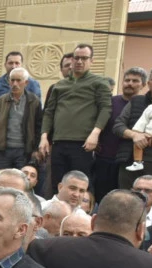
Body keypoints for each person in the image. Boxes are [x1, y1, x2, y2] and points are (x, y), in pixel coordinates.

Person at [39, 44, 112, 191]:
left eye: (84, 58)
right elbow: (49, 112)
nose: (79, 61)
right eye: (76, 58)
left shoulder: (99, 82)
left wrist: (95, 133)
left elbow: (106, 109)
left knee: (81, 185)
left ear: (91, 61)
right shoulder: (59, 85)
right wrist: (44, 137)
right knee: (58, 184)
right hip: (59, 142)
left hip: (83, 144)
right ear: (72, 60)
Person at [114, 64, 152, 189]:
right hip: (130, 161)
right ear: (148, 83)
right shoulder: (137, 101)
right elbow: (118, 126)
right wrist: (135, 135)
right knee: (127, 198)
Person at [92, 67, 147, 202]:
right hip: (105, 159)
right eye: (127, 80)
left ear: (143, 84)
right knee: (102, 198)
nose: (130, 83)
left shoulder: (147, 106)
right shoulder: (110, 103)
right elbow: (95, 123)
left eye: (135, 81)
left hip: (130, 162)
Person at [0, 67, 43, 171]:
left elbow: (38, 126)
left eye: (18, 80)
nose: (15, 84)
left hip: (23, 151)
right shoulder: (1, 100)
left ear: (26, 83)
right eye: (12, 80)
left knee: (21, 178)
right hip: (4, 151)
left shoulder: (34, 101)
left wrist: (35, 148)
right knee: (2, 178)